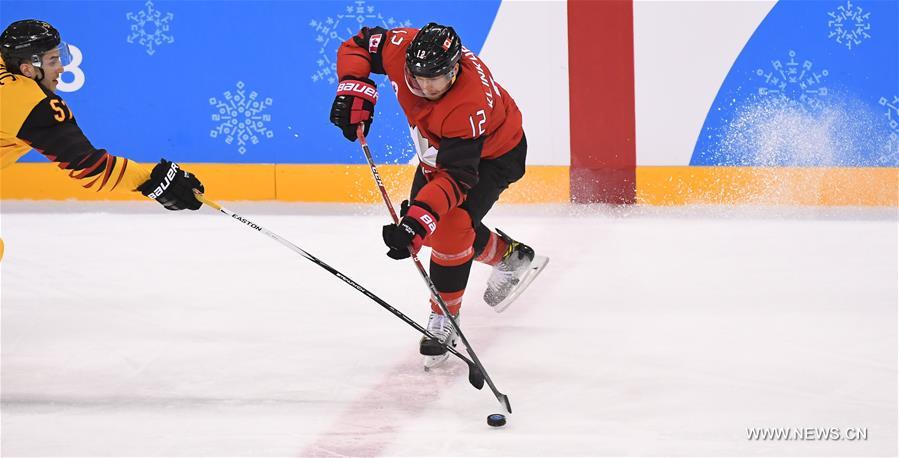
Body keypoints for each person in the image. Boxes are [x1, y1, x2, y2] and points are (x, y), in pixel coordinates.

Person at [330, 22, 548, 368]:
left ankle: (446, 315)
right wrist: (354, 88)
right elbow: (356, 45)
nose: (426, 87)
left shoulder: (468, 103)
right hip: (439, 148)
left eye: (436, 80)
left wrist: (417, 223)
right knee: (431, 229)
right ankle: (509, 257)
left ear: (455, 69)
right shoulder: (401, 46)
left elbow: (456, 178)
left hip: (492, 155)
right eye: (417, 78)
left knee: (447, 226)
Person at [0, 19, 204, 225]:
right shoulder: (28, 104)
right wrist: (156, 181)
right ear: (26, 69)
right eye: (53, 60)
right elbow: (91, 168)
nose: (61, 68)